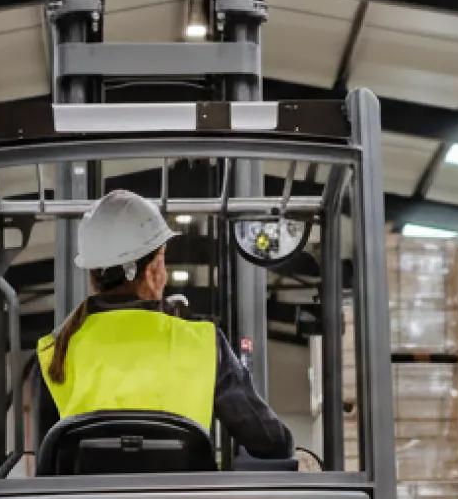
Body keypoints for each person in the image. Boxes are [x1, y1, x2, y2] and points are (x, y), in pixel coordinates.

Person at [36, 189, 294, 460]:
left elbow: (48, 461)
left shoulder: (53, 352)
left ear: (92, 273)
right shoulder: (203, 343)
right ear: (152, 270)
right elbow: (271, 443)